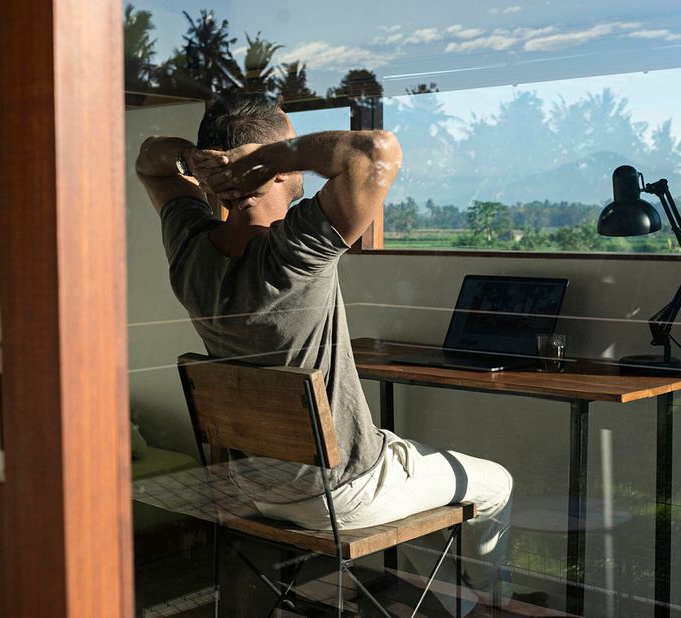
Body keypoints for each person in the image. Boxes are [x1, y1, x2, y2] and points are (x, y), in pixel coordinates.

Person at [134, 91, 512, 615]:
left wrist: (200, 163)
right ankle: (489, 608)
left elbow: (151, 160)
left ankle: (443, 602)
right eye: (288, 150)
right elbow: (376, 151)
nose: (298, 159)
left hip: (256, 485)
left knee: (416, 463)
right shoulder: (294, 254)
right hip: (342, 493)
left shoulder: (190, 251)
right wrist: (279, 154)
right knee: (495, 483)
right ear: (273, 171)